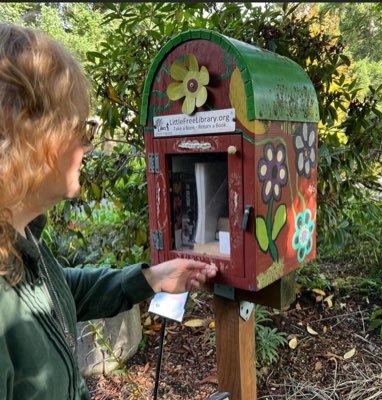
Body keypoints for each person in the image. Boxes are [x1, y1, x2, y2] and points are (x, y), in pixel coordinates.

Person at [0, 23, 218, 400]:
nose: (87, 145)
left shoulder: (21, 240)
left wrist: (151, 278)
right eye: (82, 129)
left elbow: (59, 291)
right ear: (34, 135)